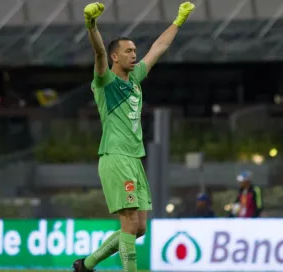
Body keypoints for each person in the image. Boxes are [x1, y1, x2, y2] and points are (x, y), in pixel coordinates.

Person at [72, 2, 195, 272]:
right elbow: (99, 51)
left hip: (134, 159)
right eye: (128, 51)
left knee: (139, 229)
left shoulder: (135, 78)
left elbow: (159, 48)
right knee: (128, 224)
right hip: (115, 157)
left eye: (134, 51)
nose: (134, 55)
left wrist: (179, 20)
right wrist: (91, 25)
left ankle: (87, 264)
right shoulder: (105, 82)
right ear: (116, 57)